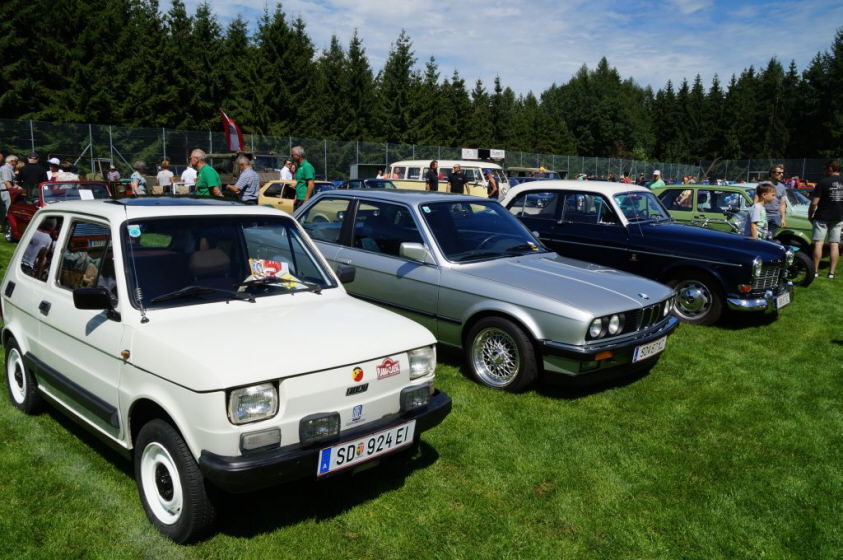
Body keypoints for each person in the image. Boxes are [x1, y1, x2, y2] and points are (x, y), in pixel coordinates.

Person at [809, 160, 843, 279]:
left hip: (822, 217)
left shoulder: (823, 182)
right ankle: (831, 273)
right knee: (834, 244)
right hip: (838, 217)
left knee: (819, 243)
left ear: (831, 168)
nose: (824, 171)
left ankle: (815, 271)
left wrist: (810, 215)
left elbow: (814, 203)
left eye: (826, 168)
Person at [764, 164, 788, 236]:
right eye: (779, 173)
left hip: (776, 217)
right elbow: (756, 202)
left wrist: (783, 218)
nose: (782, 175)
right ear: (772, 173)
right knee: (761, 238)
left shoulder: (782, 187)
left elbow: (782, 204)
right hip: (764, 216)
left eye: (782, 173)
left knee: (770, 238)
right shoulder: (763, 185)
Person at [291, 145, 315, 209]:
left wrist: (306, 200)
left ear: (298, 155)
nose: (292, 157)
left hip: (304, 199)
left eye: (292, 155)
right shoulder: (299, 167)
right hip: (299, 199)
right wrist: (296, 198)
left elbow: (311, 184)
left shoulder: (307, 166)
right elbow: (300, 183)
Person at [0, 154, 18, 233]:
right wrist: (13, 192)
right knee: (8, 211)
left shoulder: (6, 168)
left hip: (5, 191)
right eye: (16, 161)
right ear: (12, 161)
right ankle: (7, 228)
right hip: (6, 192)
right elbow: (7, 182)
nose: (17, 163)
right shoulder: (6, 169)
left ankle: (5, 228)